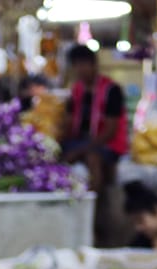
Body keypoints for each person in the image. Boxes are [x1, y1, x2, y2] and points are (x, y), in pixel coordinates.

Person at [62, 44, 127, 194]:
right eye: (76, 65)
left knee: (93, 158)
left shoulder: (112, 90)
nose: (80, 69)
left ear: (94, 65)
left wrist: (80, 150)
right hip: (80, 141)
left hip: (108, 144)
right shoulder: (76, 90)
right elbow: (70, 121)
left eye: (84, 64)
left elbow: (111, 131)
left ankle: (94, 203)